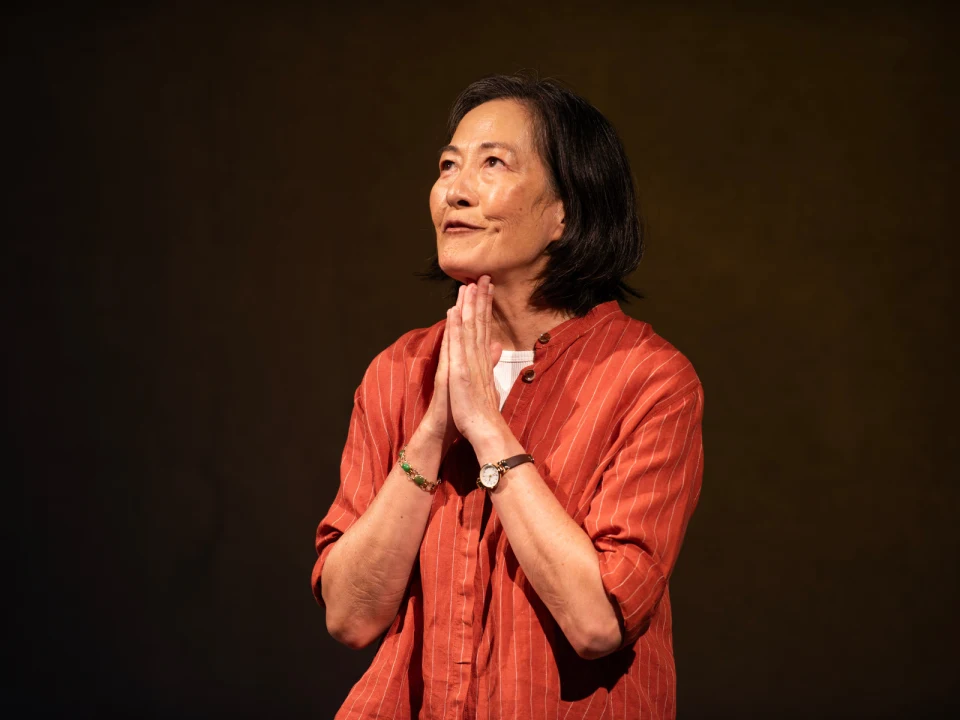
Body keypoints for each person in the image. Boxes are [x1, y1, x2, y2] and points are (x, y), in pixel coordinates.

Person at [311, 73, 704, 720]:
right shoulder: (399, 370)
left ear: (566, 212)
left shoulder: (646, 379)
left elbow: (598, 622)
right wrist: (433, 432)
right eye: (447, 166)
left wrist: (489, 433)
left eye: (493, 163)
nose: (453, 192)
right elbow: (350, 618)